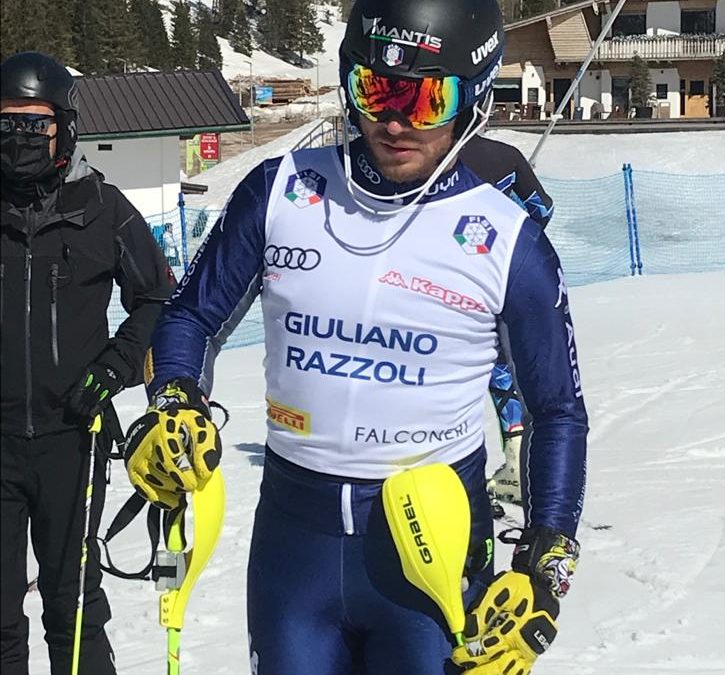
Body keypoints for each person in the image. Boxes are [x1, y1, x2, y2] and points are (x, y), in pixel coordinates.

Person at [123, 1, 588, 673]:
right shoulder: (279, 191)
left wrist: (545, 562)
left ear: (473, 97)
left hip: (429, 548)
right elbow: (191, 316)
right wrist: (173, 401)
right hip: (296, 543)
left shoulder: (507, 239)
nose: (394, 121)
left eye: (424, 99)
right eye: (375, 89)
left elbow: (558, 409)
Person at [0, 52, 175, 675]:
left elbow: (157, 295)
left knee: (70, 606)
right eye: (5, 126)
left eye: (33, 125)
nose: (18, 140)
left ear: (63, 128)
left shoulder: (102, 207)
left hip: (71, 440)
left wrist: (116, 366)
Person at [460, 135, 554, 505]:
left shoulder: (425, 157)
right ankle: (515, 463)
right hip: (497, 280)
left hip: (434, 283)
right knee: (505, 373)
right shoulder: (505, 156)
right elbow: (541, 210)